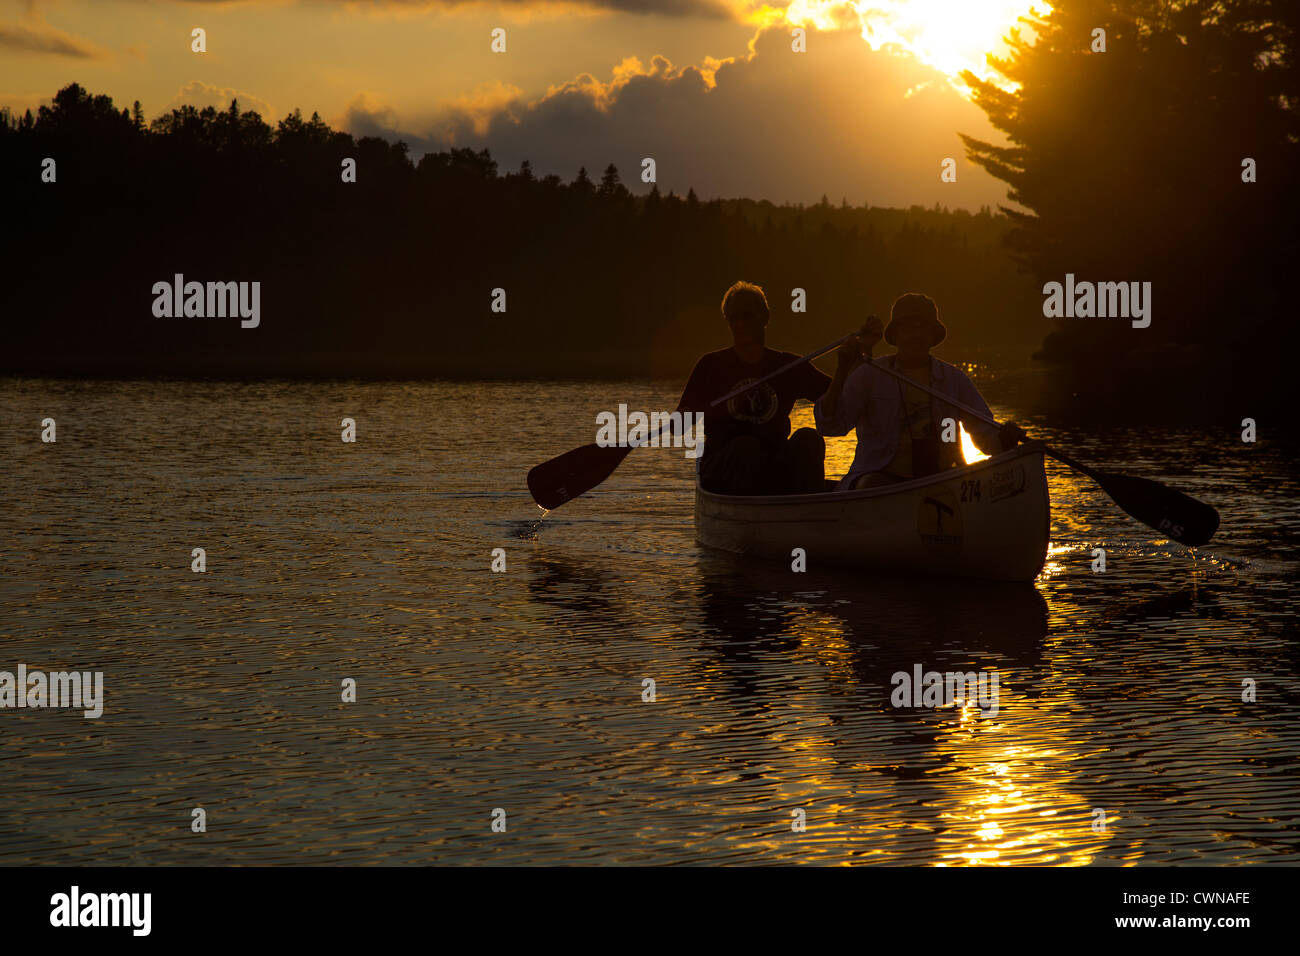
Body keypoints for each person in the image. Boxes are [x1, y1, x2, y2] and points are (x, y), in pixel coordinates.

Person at [816, 293, 1025, 489]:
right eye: (908, 328)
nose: (915, 334)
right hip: (877, 480)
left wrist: (1006, 437)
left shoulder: (954, 379)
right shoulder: (869, 375)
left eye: (922, 328)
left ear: (933, 335)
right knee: (874, 484)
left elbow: (986, 436)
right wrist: (842, 370)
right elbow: (830, 425)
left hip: (942, 479)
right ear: (896, 335)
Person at [676, 281, 831, 495]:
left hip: (773, 463)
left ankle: (811, 512)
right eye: (733, 318)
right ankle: (749, 513)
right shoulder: (710, 366)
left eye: (747, 316)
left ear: (765, 318)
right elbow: (679, 426)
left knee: (808, 438)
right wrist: (687, 416)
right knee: (746, 447)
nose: (739, 324)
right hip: (724, 467)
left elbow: (837, 396)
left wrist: (849, 362)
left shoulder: (788, 366)